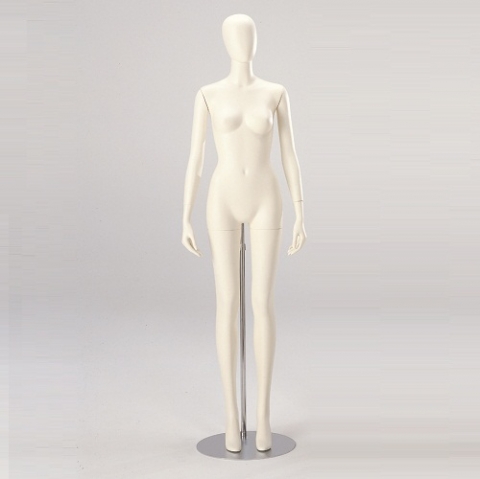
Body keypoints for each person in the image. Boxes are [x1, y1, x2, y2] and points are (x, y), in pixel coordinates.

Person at [182, 13, 306, 453]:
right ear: (224, 41)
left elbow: (290, 155)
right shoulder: (207, 94)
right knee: (227, 303)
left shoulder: (276, 93)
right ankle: (231, 417)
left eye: (249, 34)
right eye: (236, 35)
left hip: (266, 197)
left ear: (257, 40)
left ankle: (264, 416)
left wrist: (301, 211)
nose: (243, 41)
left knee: (262, 303)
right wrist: (184, 215)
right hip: (223, 198)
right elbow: (196, 158)